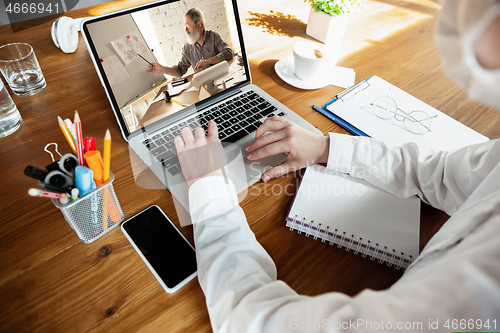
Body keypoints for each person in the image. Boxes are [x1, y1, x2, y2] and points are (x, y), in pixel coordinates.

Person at [174, 1, 500, 332]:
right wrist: (325, 146)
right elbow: (439, 173)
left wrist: (209, 191)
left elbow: (254, 322)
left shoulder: (478, 296)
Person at [148, 8, 233, 78]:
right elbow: (180, 70)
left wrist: (209, 61)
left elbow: (228, 53)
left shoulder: (214, 36)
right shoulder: (187, 47)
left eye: (188, 26)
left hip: (223, 78)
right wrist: (162, 69)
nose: (185, 29)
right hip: (206, 86)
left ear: (199, 25)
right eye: (184, 26)